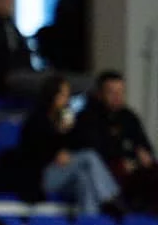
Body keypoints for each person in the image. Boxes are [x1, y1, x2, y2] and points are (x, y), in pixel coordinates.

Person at [13, 77, 119, 216]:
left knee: (84, 180)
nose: (67, 99)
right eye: (63, 95)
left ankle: (89, 222)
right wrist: (55, 149)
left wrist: (69, 130)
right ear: (53, 96)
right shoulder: (36, 120)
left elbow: (77, 145)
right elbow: (33, 152)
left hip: (63, 173)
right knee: (89, 157)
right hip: (40, 176)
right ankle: (111, 197)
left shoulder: (66, 117)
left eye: (68, 95)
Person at [74, 71, 158, 213]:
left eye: (120, 92)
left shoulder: (129, 117)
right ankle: (116, 203)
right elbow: (94, 151)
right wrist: (122, 160)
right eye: (112, 92)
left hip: (134, 170)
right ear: (100, 94)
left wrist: (142, 157)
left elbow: (144, 147)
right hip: (107, 171)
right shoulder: (88, 117)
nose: (117, 97)